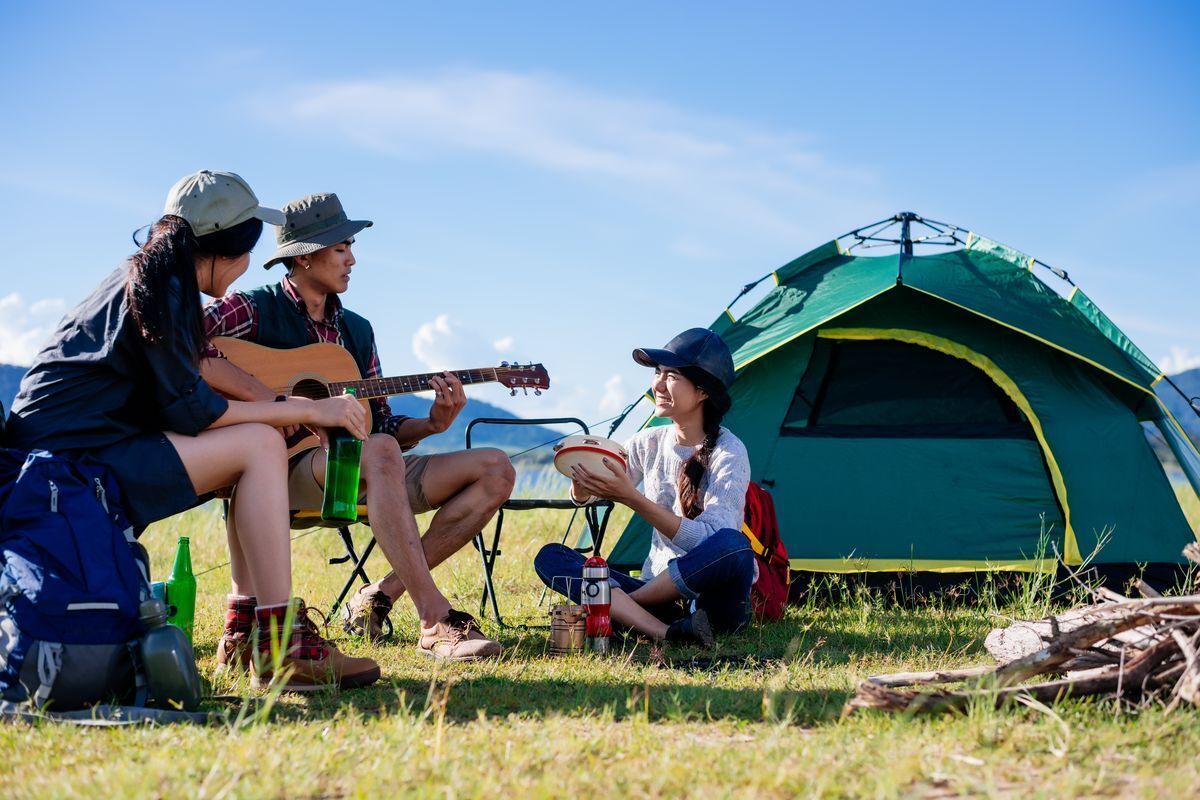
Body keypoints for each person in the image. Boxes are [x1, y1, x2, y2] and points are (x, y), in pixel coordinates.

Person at [5, 170, 381, 691]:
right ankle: (278, 645)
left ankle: (252, 628)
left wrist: (277, 401)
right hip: (60, 473)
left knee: (259, 439)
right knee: (257, 445)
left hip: (78, 454)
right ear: (229, 249)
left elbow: (204, 364)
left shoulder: (156, 277)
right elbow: (199, 412)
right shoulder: (165, 288)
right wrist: (309, 412)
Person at [202, 192, 514, 661]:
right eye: (340, 248)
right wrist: (271, 401)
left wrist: (431, 423)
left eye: (351, 246)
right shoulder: (252, 309)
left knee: (495, 468)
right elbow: (181, 343)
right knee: (382, 450)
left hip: (361, 468)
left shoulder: (357, 331)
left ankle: (379, 596)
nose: (352, 259)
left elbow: (382, 423)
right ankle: (434, 619)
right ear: (304, 257)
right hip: (277, 468)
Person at [534, 328, 755, 646]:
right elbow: (593, 494)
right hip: (658, 594)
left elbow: (710, 541)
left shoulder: (729, 451)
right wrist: (581, 481)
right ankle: (665, 631)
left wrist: (632, 499)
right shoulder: (646, 443)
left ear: (704, 390)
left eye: (673, 375)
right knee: (551, 556)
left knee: (733, 546)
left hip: (714, 601)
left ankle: (623, 609)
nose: (658, 385)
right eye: (657, 372)